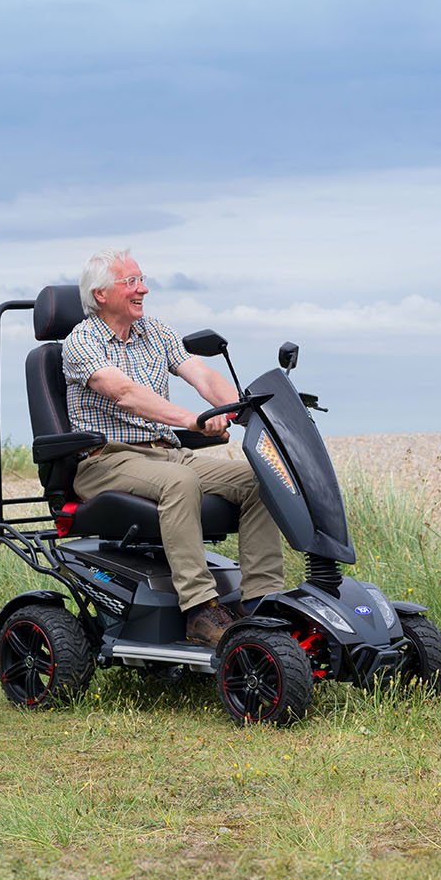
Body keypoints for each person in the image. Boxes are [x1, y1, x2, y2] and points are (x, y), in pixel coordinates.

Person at [60, 247, 288, 648]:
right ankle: (200, 610)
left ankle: (260, 601)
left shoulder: (156, 332)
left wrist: (238, 407)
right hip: (106, 460)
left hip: (165, 452)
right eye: (131, 282)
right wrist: (191, 420)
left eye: (141, 279)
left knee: (260, 478)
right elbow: (124, 392)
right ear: (100, 295)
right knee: (179, 480)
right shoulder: (81, 342)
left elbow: (201, 373)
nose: (143, 289)